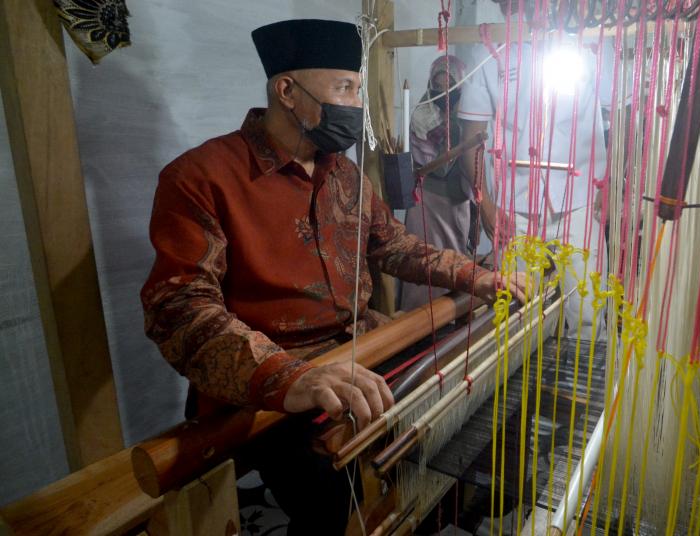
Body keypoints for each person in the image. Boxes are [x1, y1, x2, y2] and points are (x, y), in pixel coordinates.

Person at [140, 19, 525, 535]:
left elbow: (394, 246)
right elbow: (178, 310)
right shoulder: (201, 178)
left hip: (361, 349)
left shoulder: (344, 175)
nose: (355, 103)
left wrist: (476, 277)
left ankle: (436, 508)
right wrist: (290, 377)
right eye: (344, 88)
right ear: (287, 91)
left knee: (472, 407)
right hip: (273, 385)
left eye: (358, 89)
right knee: (334, 496)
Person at [459, 0, 612, 342]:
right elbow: (471, 140)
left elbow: (624, 114)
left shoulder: (593, 44)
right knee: (514, 312)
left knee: (586, 312)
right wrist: (485, 205)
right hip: (513, 210)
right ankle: (521, 391)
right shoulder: (490, 49)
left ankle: (587, 388)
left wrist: (612, 184)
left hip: (581, 202)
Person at [400, 55, 476, 311]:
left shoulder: (470, 114)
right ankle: (419, 323)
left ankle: (452, 318)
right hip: (427, 201)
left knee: (455, 258)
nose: (444, 91)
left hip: (458, 201)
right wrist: (451, 131)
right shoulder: (423, 115)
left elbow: (476, 161)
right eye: (438, 85)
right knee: (425, 260)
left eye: (451, 84)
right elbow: (438, 168)